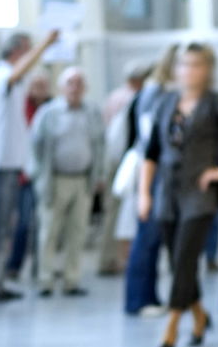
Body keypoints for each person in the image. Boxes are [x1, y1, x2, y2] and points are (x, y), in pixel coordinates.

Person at [138, 44, 218, 347]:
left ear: (208, 69)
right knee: (178, 262)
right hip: (167, 192)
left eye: (196, 65)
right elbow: (150, 153)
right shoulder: (165, 103)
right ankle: (200, 315)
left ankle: (172, 325)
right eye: (184, 65)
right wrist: (143, 194)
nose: (189, 71)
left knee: (186, 257)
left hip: (199, 195)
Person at [0, 29, 60, 302]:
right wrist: (46, 43)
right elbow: (16, 74)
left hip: (9, 164)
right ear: (16, 51)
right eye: (28, 48)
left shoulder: (9, 80)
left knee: (2, 229)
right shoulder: (0, 77)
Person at [29, 67, 106, 297]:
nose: (75, 87)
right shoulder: (48, 113)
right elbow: (36, 147)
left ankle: (72, 279)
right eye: (70, 83)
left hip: (82, 181)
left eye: (79, 83)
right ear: (62, 87)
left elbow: (100, 145)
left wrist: (99, 175)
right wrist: (39, 177)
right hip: (55, 180)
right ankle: (46, 280)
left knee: (78, 232)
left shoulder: (92, 112)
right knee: (50, 232)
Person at [123, 43, 180, 317]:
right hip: (153, 170)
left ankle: (150, 296)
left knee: (155, 238)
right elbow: (151, 138)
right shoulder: (155, 92)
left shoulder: (162, 91)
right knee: (147, 235)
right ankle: (138, 299)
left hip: (163, 171)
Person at [99, 60, 150, 275]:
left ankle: (112, 258)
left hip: (115, 161)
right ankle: (118, 259)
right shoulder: (132, 99)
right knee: (122, 214)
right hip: (125, 163)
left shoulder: (114, 97)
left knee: (115, 213)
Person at [5, 69, 54, 282]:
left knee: (46, 223)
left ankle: (41, 267)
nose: (39, 90)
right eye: (35, 85)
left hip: (49, 174)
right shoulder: (20, 108)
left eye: (43, 85)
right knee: (24, 223)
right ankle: (14, 265)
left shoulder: (54, 108)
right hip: (25, 175)